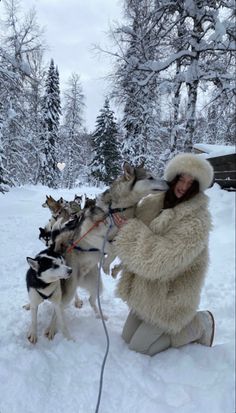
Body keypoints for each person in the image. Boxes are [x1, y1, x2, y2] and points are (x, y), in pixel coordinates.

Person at [112, 153, 215, 356]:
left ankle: (200, 323)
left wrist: (128, 230)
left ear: (196, 187)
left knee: (140, 348)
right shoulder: (154, 201)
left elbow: (159, 261)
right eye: (181, 179)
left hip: (170, 296)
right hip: (144, 289)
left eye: (190, 182)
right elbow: (131, 221)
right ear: (173, 178)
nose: (183, 186)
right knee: (126, 338)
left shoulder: (197, 222)